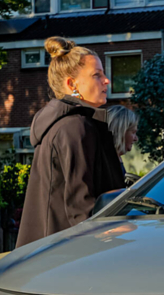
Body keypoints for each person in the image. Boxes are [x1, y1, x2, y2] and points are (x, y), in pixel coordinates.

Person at [17, 36, 125, 248]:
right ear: (71, 84)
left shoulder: (63, 125)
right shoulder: (75, 127)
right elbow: (81, 207)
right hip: (66, 255)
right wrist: (116, 231)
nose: (106, 81)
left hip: (48, 252)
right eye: (97, 75)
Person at [106, 104, 141, 187]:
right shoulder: (105, 165)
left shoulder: (115, 159)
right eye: (133, 132)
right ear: (120, 132)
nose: (136, 139)